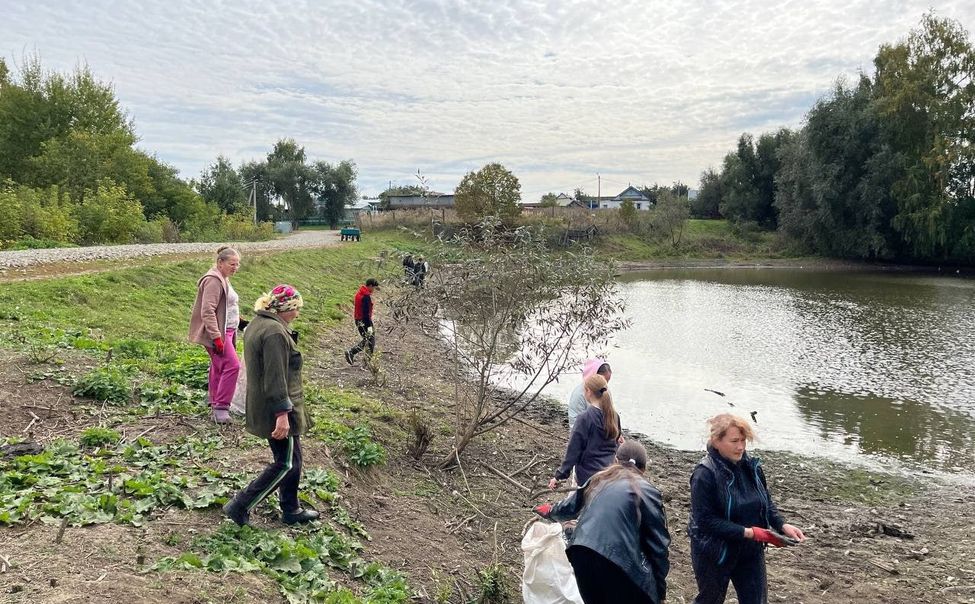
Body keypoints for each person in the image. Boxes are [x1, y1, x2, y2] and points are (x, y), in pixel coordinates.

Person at [223, 284, 318, 526]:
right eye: (295, 308)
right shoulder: (275, 333)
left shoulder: (259, 322)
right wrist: (282, 414)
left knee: (293, 459)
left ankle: (291, 509)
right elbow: (275, 377)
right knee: (285, 463)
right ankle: (240, 505)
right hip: (277, 407)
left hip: (268, 403)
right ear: (284, 308)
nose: (297, 314)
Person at [689, 413, 806, 604]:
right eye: (734, 441)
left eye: (743, 440)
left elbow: (765, 501)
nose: (741, 447)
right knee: (710, 600)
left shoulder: (753, 468)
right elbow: (705, 521)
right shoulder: (705, 474)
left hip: (750, 550)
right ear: (716, 441)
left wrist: (782, 525)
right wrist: (750, 532)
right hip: (714, 551)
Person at [534, 441, 670, 604]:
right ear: (644, 469)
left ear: (616, 460)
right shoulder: (648, 491)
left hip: (580, 552)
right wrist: (660, 592)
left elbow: (569, 507)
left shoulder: (598, 479)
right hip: (616, 561)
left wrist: (549, 511)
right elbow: (658, 546)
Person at [188, 246, 243, 423]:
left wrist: (240, 321)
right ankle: (221, 408)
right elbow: (207, 311)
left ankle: (215, 401)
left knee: (219, 365)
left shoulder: (223, 278)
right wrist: (216, 337)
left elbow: (225, 306)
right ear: (220, 262)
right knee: (232, 366)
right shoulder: (213, 280)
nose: (235, 268)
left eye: (237, 264)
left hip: (229, 329)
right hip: (219, 332)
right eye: (232, 264)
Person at [549, 373, 621, 489]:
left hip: (588, 477)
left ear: (588, 391)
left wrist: (559, 476)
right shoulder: (615, 416)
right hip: (610, 475)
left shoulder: (584, 418)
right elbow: (616, 444)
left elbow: (573, 450)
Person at [344, 278, 380, 365]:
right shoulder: (366, 297)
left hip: (358, 320)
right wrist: (369, 326)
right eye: (374, 288)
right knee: (370, 340)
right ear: (370, 286)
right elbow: (366, 313)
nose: (374, 290)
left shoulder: (359, 293)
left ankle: (359, 356)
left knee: (367, 339)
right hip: (365, 322)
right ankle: (365, 359)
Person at [567, 358, 612, 427]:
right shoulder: (579, 394)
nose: (605, 384)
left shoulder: (605, 391)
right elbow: (575, 424)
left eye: (607, 381)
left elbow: (610, 416)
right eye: (603, 380)